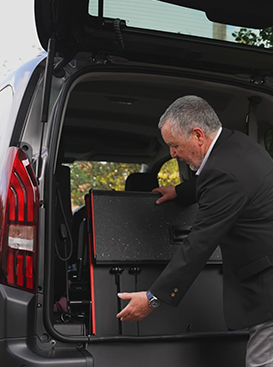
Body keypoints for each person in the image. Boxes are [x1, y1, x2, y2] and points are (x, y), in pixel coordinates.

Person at [116, 95, 273, 367]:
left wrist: (152, 298)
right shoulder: (238, 144)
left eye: (175, 145)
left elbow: (199, 243)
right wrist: (179, 190)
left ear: (198, 135)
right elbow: (227, 184)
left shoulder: (223, 172)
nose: (173, 153)